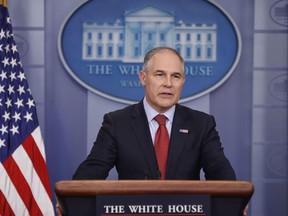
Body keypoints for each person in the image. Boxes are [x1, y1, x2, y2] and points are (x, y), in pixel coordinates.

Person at [72, 46, 236, 181]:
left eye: (176, 76)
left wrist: (234, 199)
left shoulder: (201, 124)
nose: (168, 83)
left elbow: (219, 169)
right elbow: (92, 171)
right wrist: (71, 199)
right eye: (160, 75)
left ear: (183, 82)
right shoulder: (116, 123)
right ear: (143, 78)